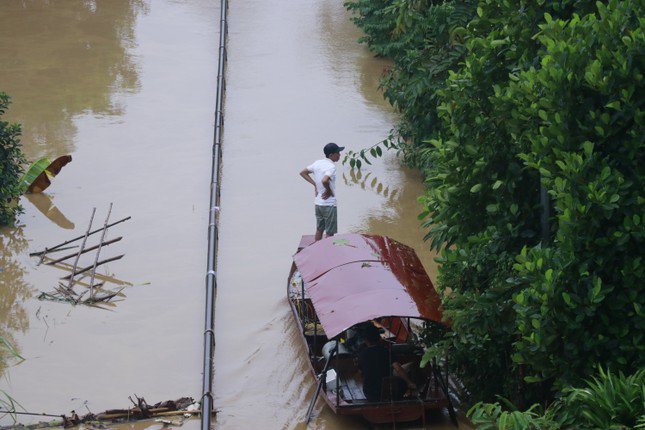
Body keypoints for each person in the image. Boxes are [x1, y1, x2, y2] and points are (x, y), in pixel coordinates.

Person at [358, 324, 417, 402]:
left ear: (366, 340)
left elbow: (360, 372)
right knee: (402, 382)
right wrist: (409, 382)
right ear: (379, 338)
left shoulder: (362, 354)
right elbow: (398, 368)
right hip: (386, 391)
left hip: (370, 394)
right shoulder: (385, 351)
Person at [299, 143, 344, 241]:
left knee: (319, 229)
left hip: (318, 204)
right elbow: (325, 180)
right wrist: (328, 190)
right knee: (329, 232)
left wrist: (315, 184)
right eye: (338, 153)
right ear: (331, 155)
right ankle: (328, 253)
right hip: (329, 204)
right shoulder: (331, 167)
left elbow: (303, 173)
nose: (340, 155)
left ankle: (316, 250)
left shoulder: (317, 163)